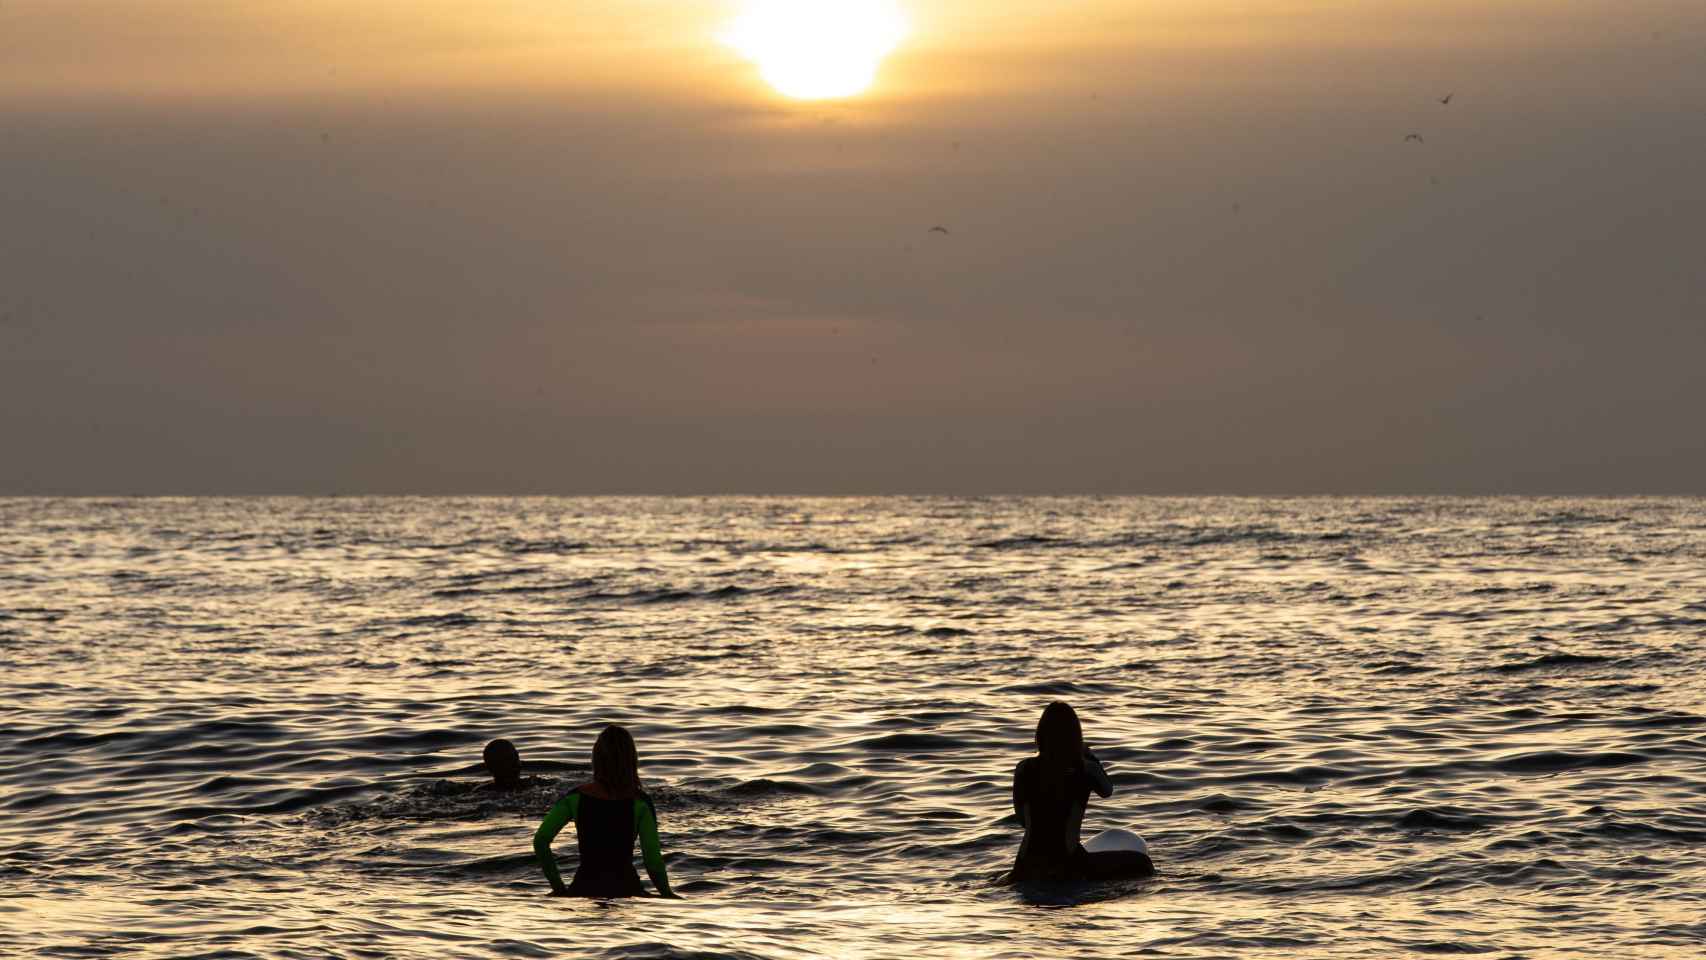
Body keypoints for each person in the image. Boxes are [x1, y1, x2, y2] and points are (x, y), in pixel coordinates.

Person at [1008, 701, 1154, 883]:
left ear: (1040, 734)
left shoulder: (1024, 768)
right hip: (1068, 863)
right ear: (1076, 736)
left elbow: (1022, 820)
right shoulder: (1085, 768)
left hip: (1025, 864)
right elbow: (1107, 791)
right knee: (1143, 864)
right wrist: (1091, 757)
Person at [533, 724, 679, 898]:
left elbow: (541, 840)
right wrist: (668, 895)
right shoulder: (640, 803)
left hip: (583, 889)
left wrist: (558, 888)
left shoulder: (575, 798)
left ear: (596, 759)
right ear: (631, 760)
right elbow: (653, 862)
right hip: (627, 890)